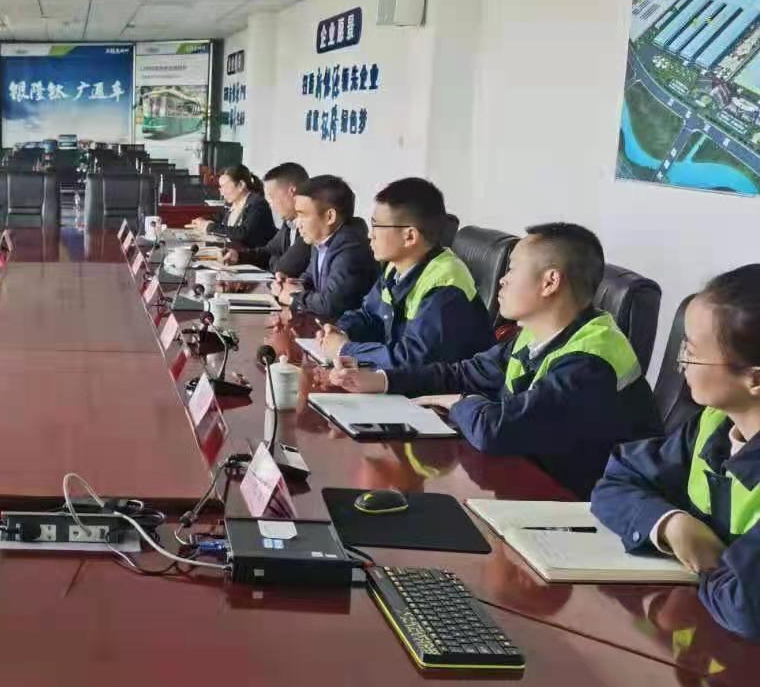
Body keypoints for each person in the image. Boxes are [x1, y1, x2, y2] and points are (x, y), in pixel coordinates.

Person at [332, 222, 661, 498]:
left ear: (550, 282)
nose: (502, 279)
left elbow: (497, 429)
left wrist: (459, 401)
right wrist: (382, 379)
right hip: (529, 484)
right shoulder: (538, 334)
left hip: (581, 511)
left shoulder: (590, 362)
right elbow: (464, 373)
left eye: (512, 269)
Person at [593, 265, 760, 639]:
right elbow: (616, 479)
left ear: (755, 379)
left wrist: (709, 563)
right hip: (705, 637)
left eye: (692, 351)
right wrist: (670, 523)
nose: (681, 362)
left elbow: (746, 607)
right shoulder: (713, 424)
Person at [316, 177, 493, 372]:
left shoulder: (446, 283)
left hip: (443, 388)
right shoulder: (395, 267)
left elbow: (411, 360)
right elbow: (370, 315)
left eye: (377, 226)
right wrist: (340, 330)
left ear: (409, 236)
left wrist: (344, 349)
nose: (370, 235)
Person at [273, 175, 377, 318]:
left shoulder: (352, 249)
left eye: (303, 215)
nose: (298, 223)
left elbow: (330, 304)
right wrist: (294, 284)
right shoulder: (321, 240)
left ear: (330, 217)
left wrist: (293, 298)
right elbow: (310, 278)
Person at [222, 162, 311, 277]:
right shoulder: (289, 222)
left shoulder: (310, 226)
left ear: (292, 192)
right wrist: (238, 256)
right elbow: (268, 251)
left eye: (272, 197)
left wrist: (273, 259)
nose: (271, 204)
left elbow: (283, 268)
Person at [189, 164, 275, 250]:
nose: (221, 193)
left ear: (241, 185)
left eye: (224, 186)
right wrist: (202, 220)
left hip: (252, 256)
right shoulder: (232, 203)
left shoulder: (258, 204)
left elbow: (243, 233)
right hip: (234, 252)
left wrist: (210, 227)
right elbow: (218, 217)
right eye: (220, 187)